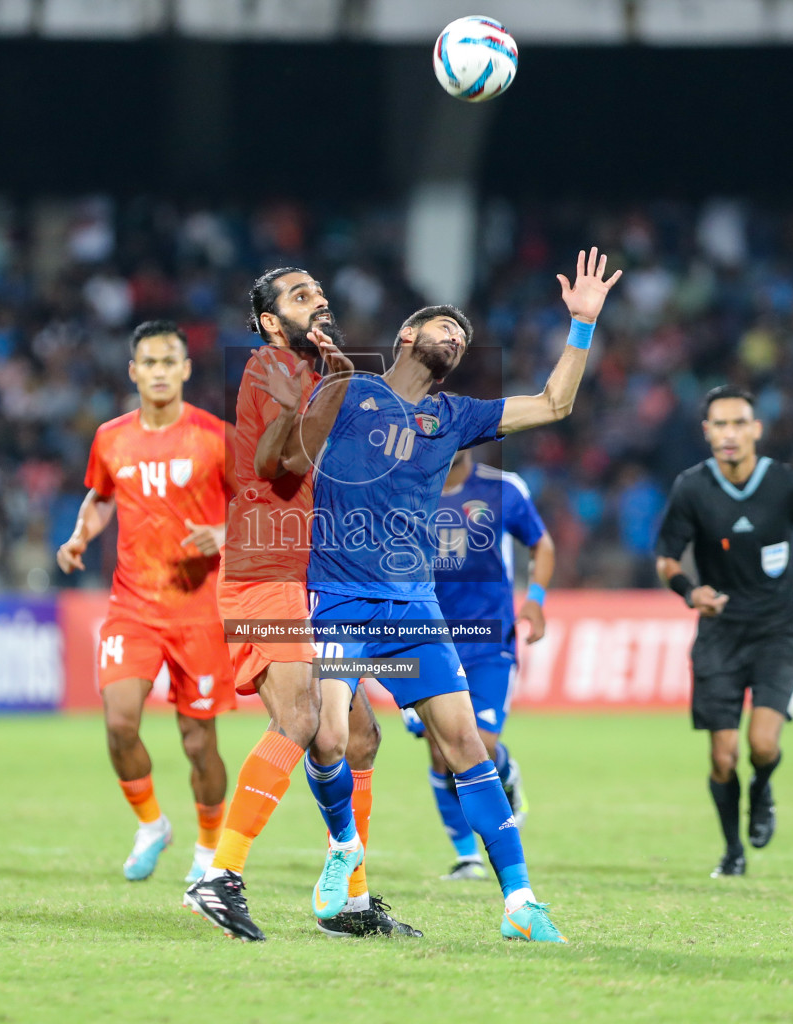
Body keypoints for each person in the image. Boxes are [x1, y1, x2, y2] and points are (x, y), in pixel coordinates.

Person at [292, 247, 620, 944]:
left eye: (465, 340)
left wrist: (582, 327)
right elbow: (286, 439)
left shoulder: (457, 415)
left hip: (414, 609)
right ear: (407, 337)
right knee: (327, 734)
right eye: (446, 329)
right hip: (341, 599)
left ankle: (521, 902)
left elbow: (555, 402)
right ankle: (345, 848)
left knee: (467, 744)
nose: (457, 340)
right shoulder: (347, 392)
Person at [183, 269, 417, 941]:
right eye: (298, 295)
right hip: (265, 572)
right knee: (300, 716)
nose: (317, 299)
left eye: (317, 290)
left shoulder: (310, 375)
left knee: (362, 737)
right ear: (267, 320)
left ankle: (349, 898)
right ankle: (219, 875)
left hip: (309, 579)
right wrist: (338, 389)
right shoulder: (271, 367)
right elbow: (277, 461)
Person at [56, 320, 237, 885]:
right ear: (133, 371)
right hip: (132, 606)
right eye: (148, 363)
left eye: (169, 362)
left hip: (199, 611)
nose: (158, 372)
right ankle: (153, 825)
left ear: (185, 369)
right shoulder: (112, 437)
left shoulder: (215, 437)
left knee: (197, 742)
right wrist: (81, 534)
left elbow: (261, 503)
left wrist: (226, 535)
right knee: (119, 723)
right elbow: (100, 495)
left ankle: (209, 851)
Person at [653, 384, 793, 878]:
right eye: (720, 424)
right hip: (719, 635)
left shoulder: (784, 483)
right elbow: (666, 559)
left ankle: (762, 789)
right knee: (723, 755)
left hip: (776, 632)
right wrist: (690, 592)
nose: (730, 433)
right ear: (707, 432)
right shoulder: (691, 487)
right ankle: (732, 851)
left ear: (756, 429)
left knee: (761, 746)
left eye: (739, 423)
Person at [400, 447, 554, 881]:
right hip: (426, 638)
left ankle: (506, 771)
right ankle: (467, 856)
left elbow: (542, 544)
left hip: (488, 640)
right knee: (438, 750)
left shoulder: (503, 488)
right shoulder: (404, 491)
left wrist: (536, 601)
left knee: (479, 743)